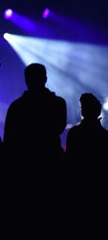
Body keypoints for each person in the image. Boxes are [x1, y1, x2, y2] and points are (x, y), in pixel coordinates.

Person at [3, 63, 67, 240]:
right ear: (45, 78)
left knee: (27, 222)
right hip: (51, 166)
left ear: (26, 80)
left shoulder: (16, 107)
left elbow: (9, 141)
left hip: (24, 171)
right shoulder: (58, 103)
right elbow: (59, 127)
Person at [65, 93, 108, 239]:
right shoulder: (104, 136)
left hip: (77, 191)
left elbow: (69, 164)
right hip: (99, 193)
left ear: (83, 110)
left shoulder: (75, 134)